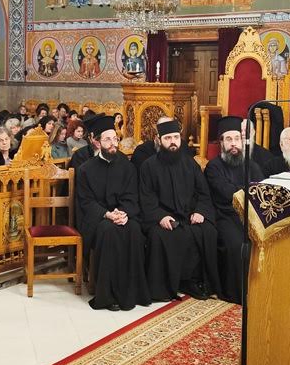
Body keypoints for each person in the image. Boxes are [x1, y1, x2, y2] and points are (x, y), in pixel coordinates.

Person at [139, 119, 221, 302]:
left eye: (176, 137)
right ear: (159, 140)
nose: (173, 142)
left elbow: (203, 192)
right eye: (168, 138)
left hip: (189, 216)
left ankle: (194, 281)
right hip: (163, 218)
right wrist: (160, 216)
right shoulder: (148, 166)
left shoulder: (190, 164)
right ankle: (165, 287)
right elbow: (146, 199)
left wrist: (200, 211)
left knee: (207, 231)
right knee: (160, 236)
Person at [75, 115, 151, 311]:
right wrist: (107, 214)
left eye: (115, 139)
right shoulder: (85, 170)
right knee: (108, 232)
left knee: (134, 230)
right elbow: (86, 202)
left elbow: (132, 196)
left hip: (123, 215)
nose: (112, 143)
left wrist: (123, 214)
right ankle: (108, 296)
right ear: (97, 142)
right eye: (107, 139)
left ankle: (132, 292)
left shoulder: (128, 166)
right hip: (98, 219)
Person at [204, 116, 264, 304]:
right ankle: (237, 293)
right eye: (228, 139)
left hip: (251, 215)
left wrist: (243, 191)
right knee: (237, 244)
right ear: (221, 143)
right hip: (225, 216)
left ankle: (260, 290)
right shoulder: (213, 167)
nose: (233, 144)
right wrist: (245, 190)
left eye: (237, 138)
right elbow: (226, 192)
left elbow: (260, 191)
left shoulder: (252, 166)